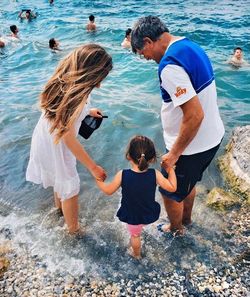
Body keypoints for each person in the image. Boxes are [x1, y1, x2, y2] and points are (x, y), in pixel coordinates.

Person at [131, 16, 224, 236]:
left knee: (168, 189)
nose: (144, 57)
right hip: (212, 138)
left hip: (191, 147)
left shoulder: (169, 65)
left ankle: (176, 229)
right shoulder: (189, 45)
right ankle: (187, 220)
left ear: (148, 41)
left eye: (141, 52)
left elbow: (194, 115)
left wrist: (174, 154)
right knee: (187, 184)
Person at [26, 44, 113, 234]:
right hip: (58, 141)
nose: (100, 84)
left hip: (45, 136)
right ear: (91, 73)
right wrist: (93, 167)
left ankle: (59, 212)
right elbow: (69, 140)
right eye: (100, 78)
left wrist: (88, 112)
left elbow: (61, 112)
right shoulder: (78, 96)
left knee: (59, 178)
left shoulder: (63, 81)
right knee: (70, 185)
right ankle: (73, 231)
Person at [96, 135, 177, 259]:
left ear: (128, 156)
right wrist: (170, 170)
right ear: (152, 159)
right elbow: (172, 188)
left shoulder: (122, 174)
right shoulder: (155, 174)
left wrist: (99, 180)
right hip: (149, 212)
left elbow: (108, 191)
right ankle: (142, 230)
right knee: (140, 227)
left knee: (135, 236)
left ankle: (137, 255)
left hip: (132, 215)